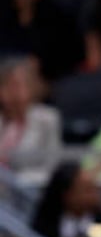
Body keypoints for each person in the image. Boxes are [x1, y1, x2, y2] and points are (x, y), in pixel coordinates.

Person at [0, 56, 62, 185]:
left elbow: (52, 164)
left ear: (31, 86)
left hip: (31, 188)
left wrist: (18, 180)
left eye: (17, 85)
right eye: (6, 85)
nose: (12, 93)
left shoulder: (47, 119)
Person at [31, 160, 101, 237]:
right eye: (87, 190)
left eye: (96, 189)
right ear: (67, 195)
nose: (95, 196)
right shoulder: (44, 226)